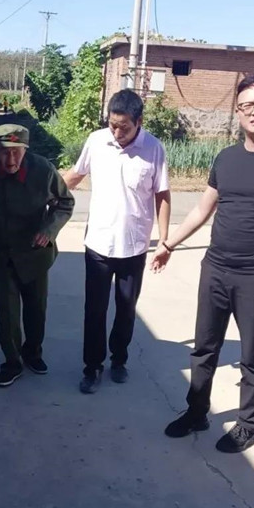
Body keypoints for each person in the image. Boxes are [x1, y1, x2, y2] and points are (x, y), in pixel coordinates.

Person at [151, 73, 254, 453]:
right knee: (204, 348)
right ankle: (196, 411)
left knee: (253, 355)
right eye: (247, 105)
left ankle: (247, 424)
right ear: (238, 112)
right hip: (215, 268)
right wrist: (168, 244)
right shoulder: (225, 158)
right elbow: (202, 210)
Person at [64, 89, 171, 394]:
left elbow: (162, 195)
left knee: (126, 309)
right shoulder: (97, 141)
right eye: (112, 125)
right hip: (98, 243)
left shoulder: (154, 148)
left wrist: (165, 241)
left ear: (139, 122)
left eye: (124, 127)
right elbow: (75, 175)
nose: (117, 132)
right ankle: (92, 366)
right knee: (94, 310)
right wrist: (43, 194)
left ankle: (119, 360)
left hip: (134, 246)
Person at [0, 124, 74, 387]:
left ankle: (33, 353)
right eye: (4, 152)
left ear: (25, 150)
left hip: (35, 251)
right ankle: (12, 361)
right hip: (0, 250)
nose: (10, 160)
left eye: (16, 152)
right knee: (7, 310)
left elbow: (65, 203)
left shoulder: (43, 170)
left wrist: (49, 230)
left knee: (36, 308)